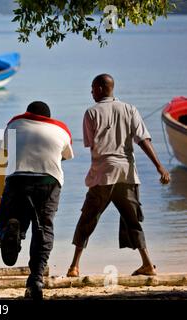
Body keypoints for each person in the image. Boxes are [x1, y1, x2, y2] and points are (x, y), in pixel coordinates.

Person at [66, 74, 171, 278]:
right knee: (133, 221)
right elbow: (143, 140)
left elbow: (91, 146)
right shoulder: (130, 109)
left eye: (93, 88)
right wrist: (159, 167)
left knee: (88, 218)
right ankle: (148, 264)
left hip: (102, 176)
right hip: (127, 174)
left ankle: (74, 266)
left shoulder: (91, 113)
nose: (91, 92)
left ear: (101, 89)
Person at [0, 101, 74, 300]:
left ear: (27, 113)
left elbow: (7, 150)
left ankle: (8, 234)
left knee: (5, 221)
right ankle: (36, 279)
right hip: (49, 181)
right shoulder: (62, 130)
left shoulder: (14, 124)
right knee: (43, 228)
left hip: (18, 179)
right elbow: (65, 156)